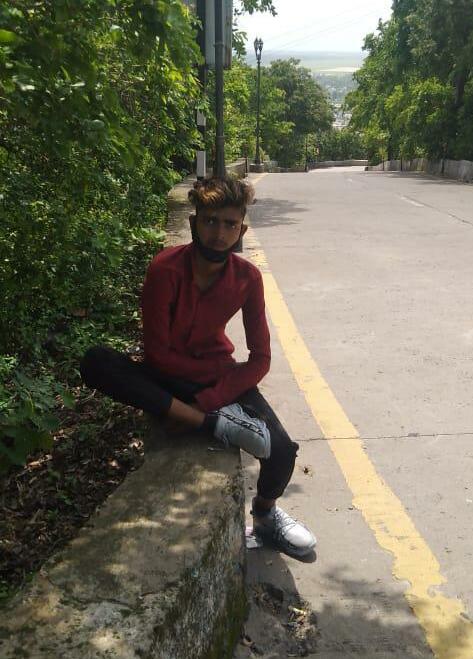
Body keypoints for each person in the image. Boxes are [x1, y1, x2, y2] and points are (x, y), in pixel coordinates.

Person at [80, 175, 316, 557]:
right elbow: (157, 354)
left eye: (229, 224)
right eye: (210, 221)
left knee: (283, 449)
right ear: (193, 223)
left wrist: (208, 399)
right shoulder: (165, 269)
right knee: (97, 362)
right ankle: (213, 424)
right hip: (167, 374)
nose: (219, 234)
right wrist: (202, 409)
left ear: (241, 230)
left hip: (215, 376)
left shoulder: (248, 278)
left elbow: (261, 358)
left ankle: (266, 516)